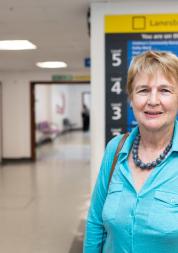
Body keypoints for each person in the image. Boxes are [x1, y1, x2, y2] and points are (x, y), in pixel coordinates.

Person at [83, 50, 178, 253]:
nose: (153, 100)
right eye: (143, 90)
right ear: (131, 98)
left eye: (165, 90)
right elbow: (95, 223)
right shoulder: (115, 149)